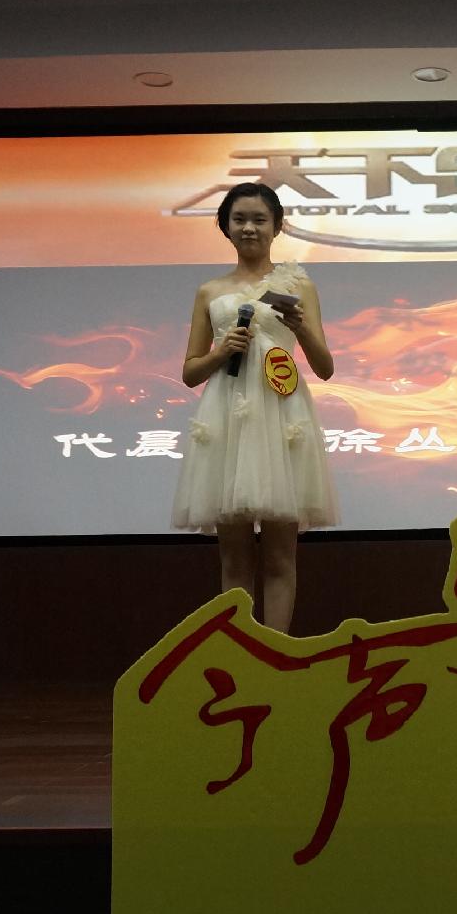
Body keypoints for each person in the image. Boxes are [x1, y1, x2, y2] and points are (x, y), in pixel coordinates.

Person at [173, 182, 337, 633]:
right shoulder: (210, 291)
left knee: (282, 556)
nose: (249, 228)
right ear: (225, 226)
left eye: (260, 219)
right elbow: (190, 373)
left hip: (283, 415)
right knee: (233, 558)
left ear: (277, 226)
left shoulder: (298, 285)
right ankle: (241, 651)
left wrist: (300, 328)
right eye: (239, 219)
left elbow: (325, 368)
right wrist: (222, 350)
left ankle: (275, 653)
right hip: (228, 416)